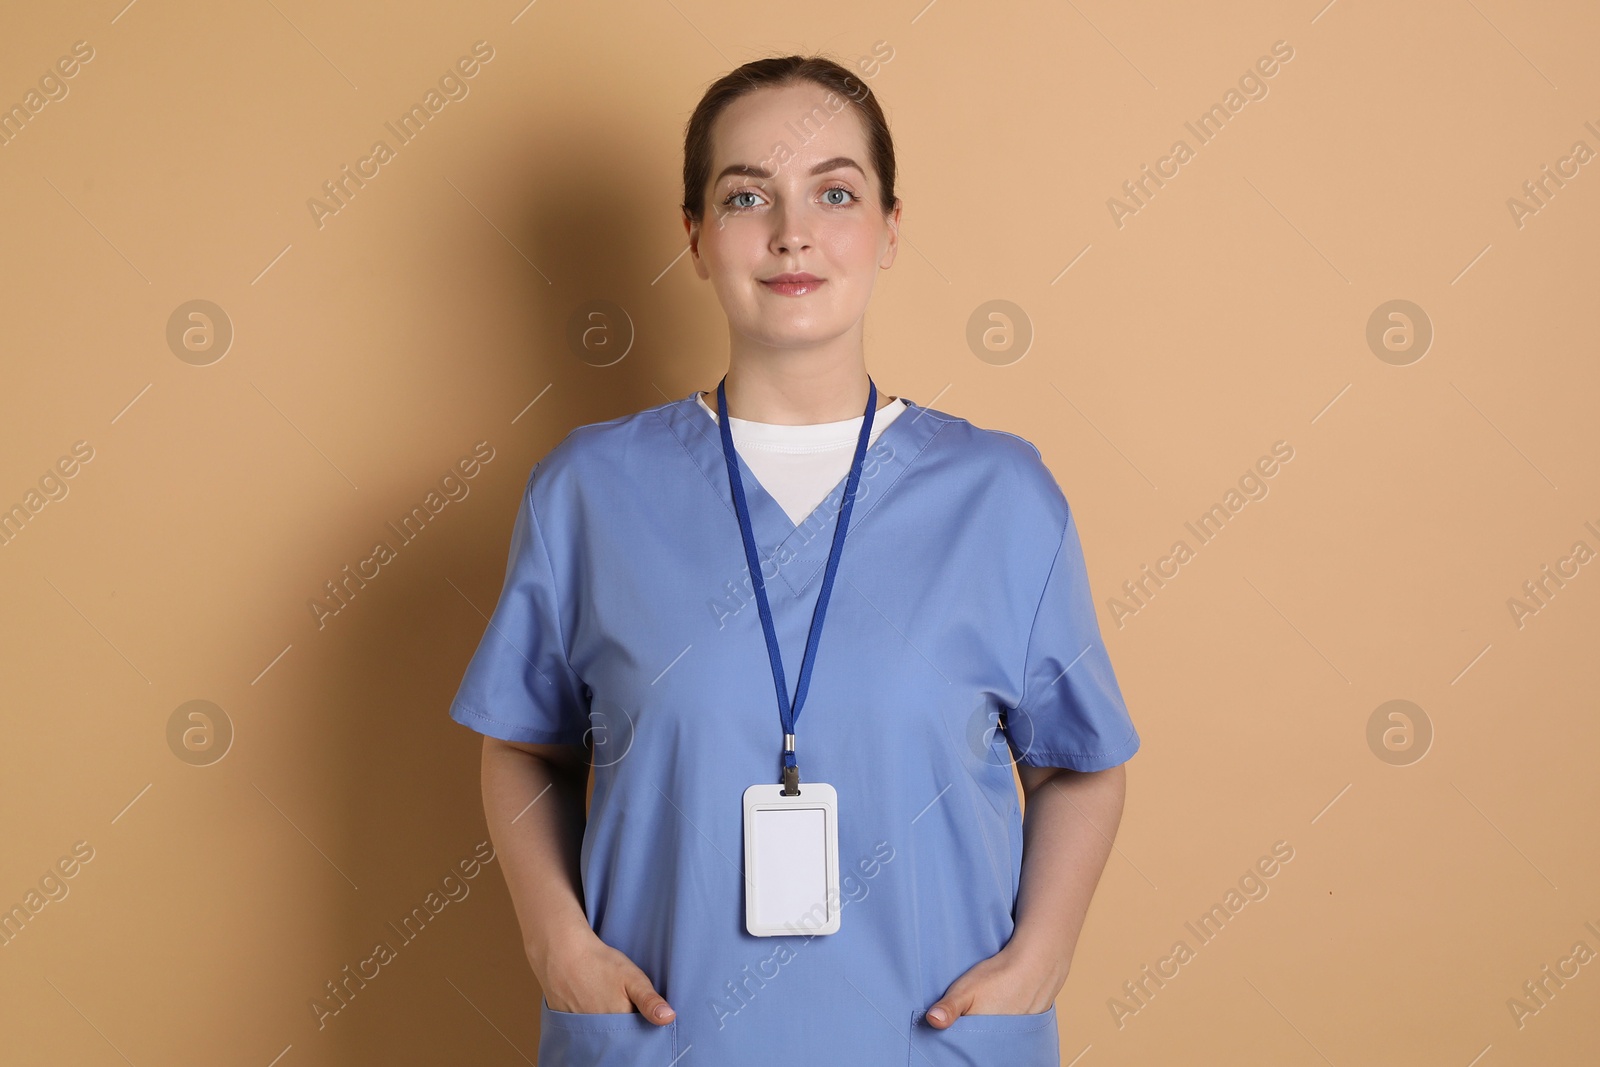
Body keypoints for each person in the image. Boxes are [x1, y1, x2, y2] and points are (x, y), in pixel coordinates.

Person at [448, 54, 1140, 1066]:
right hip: (668, 1043)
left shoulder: (1000, 497)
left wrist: (1042, 952)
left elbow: (1080, 764)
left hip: (928, 1043)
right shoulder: (590, 492)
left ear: (890, 228)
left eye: (834, 190)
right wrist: (554, 940)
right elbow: (522, 743)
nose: (792, 232)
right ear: (693, 236)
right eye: (744, 195)